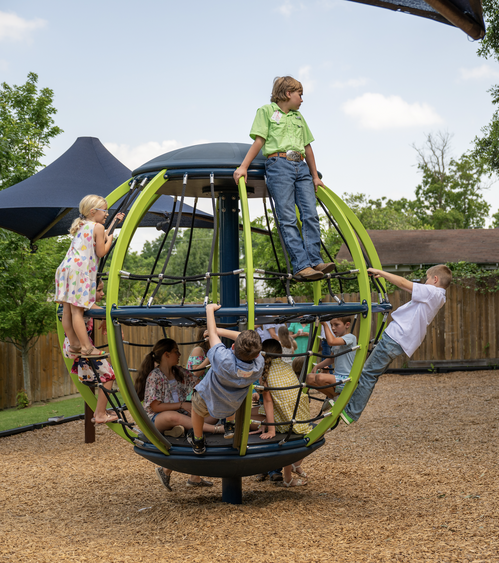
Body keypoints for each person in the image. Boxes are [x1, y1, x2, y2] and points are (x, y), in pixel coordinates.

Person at [233, 76, 333, 281]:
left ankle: (315, 260)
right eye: (300, 95)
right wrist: (243, 166)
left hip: (301, 166)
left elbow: (307, 147)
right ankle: (301, 265)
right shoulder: (266, 111)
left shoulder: (298, 117)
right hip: (279, 165)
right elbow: (260, 140)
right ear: (288, 94)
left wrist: (315, 176)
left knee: (310, 214)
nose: (302, 100)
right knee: (288, 218)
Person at [340, 265, 452, 425]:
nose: (425, 282)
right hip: (398, 340)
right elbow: (407, 289)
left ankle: (351, 411)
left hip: (395, 338)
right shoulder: (438, 296)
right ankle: (349, 403)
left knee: (368, 373)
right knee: (370, 372)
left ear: (435, 279)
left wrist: (380, 272)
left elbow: (403, 282)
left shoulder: (432, 292)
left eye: (427, 279)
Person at [135, 338, 223, 491]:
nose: (180, 354)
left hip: (180, 414)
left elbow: (198, 384)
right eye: (176, 351)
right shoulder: (155, 376)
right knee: (174, 417)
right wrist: (182, 405)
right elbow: (155, 406)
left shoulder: (179, 372)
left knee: (211, 415)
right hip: (156, 418)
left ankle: (188, 469)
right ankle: (216, 429)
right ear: (166, 354)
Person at [187, 304, 264, 454]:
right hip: (231, 403)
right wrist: (217, 332)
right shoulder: (258, 366)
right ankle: (230, 425)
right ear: (257, 354)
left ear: (233, 346)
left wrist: (210, 311)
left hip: (207, 397)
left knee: (195, 410)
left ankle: (198, 440)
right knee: (231, 393)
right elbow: (253, 346)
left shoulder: (224, 359)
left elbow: (212, 335)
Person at [55, 195, 124, 359]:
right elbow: (101, 251)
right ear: (93, 211)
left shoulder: (82, 225)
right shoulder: (98, 227)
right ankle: (87, 347)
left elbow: (100, 235)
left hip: (66, 269)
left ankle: (74, 344)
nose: (107, 213)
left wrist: (114, 223)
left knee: (67, 311)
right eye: (104, 210)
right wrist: (111, 239)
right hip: (80, 271)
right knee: (77, 311)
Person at [252, 339, 312, 487]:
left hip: (288, 421)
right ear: (280, 354)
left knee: (243, 418)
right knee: (258, 417)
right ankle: (283, 472)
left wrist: (271, 429)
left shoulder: (264, 372)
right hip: (301, 415)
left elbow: (268, 402)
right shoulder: (286, 366)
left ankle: (281, 475)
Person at [63, 278, 118, 425]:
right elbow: (105, 312)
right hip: (83, 350)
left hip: (72, 346)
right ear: (87, 290)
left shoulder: (73, 303)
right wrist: (106, 317)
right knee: (109, 375)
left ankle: (100, 411)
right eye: (98, 290)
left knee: (104, 376)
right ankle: (100, 414)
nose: (102, 293)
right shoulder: (84, 302)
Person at [306, 317, 357, 412]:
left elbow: (331, 342)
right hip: (337, 378)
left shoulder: (350, 337)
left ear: (347, 325)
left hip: (347, 380)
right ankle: (333, 397)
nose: (333, 328)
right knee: (309, 378)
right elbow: (331, 359)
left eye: (336, 325)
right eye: (331, 325)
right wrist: (317, 366)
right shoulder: (337, 340)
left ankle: (335, 398)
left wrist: (325, 325)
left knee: (320, 377)